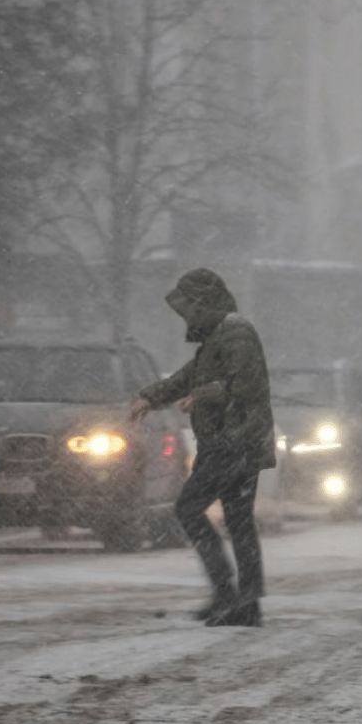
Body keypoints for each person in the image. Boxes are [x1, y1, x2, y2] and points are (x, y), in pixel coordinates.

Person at [130, 268, 275, 628]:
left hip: (234, 442)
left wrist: (203, 394)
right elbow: (190, 376)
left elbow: (245, 385)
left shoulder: (235, 332)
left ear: (203, 303)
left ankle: (230, 594)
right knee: (238, 522)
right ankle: (244, 601)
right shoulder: (219, 336)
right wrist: (151, 396)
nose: (186, 317)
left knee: (190, 509)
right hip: (232, 442)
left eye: (189, 308)